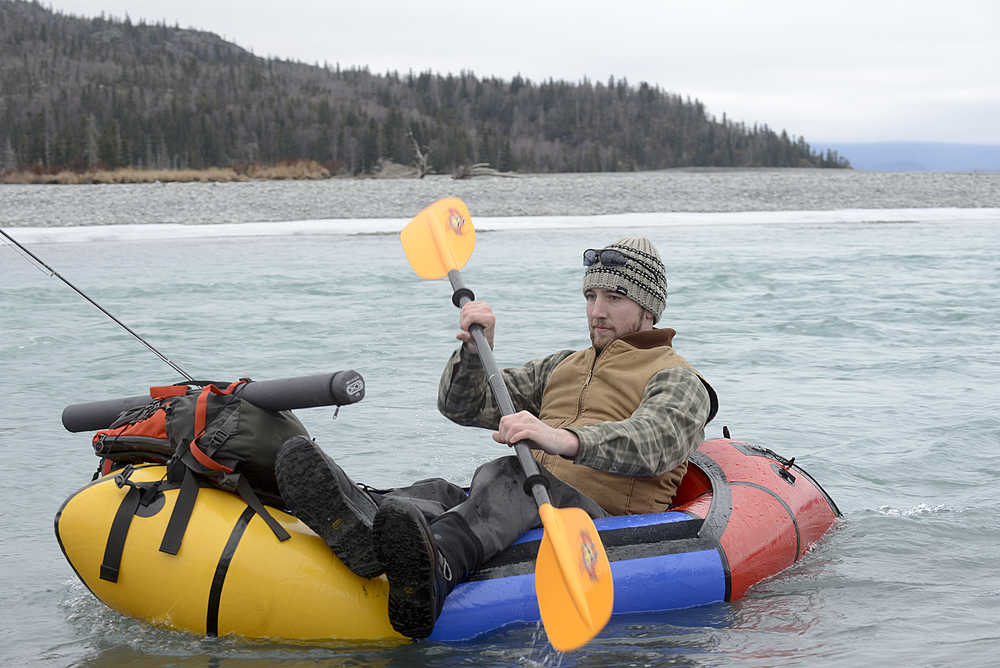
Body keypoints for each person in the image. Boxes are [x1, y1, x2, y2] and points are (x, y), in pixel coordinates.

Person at [275, 236, 718, 639]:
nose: (597, 310)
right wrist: (472, 352)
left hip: (601, 523)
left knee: (509, 476)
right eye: (591, 295)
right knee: (442, 490)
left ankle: (438, 568)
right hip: (531, 501)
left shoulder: (678, 378)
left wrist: (560, 438)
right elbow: (464, 406)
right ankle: (361, 524)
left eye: (614, 297)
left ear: (649, 308)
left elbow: (655, 442)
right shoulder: (564, 365)